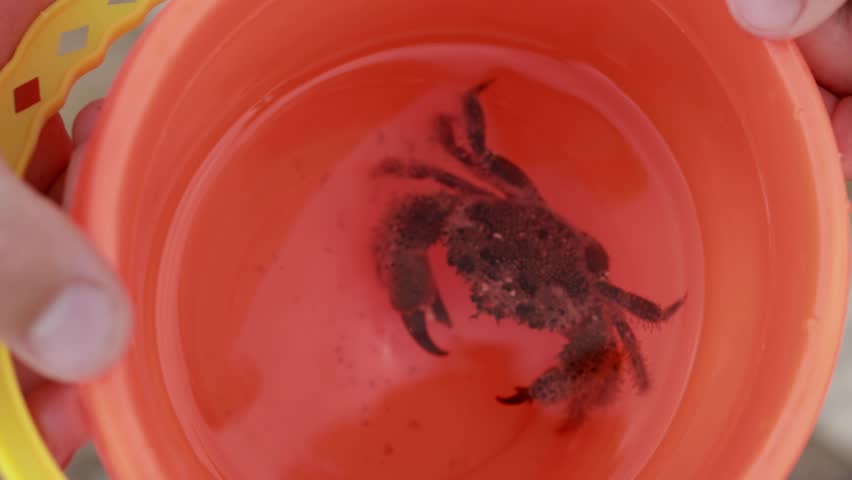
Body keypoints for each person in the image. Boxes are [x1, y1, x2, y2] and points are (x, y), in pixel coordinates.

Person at [0, 0, 848, 469]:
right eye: (483, 285)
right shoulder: (478, 198)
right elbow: (440, 174)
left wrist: (562, 402)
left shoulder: (593, 302)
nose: (483, 299)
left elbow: (644, 324)